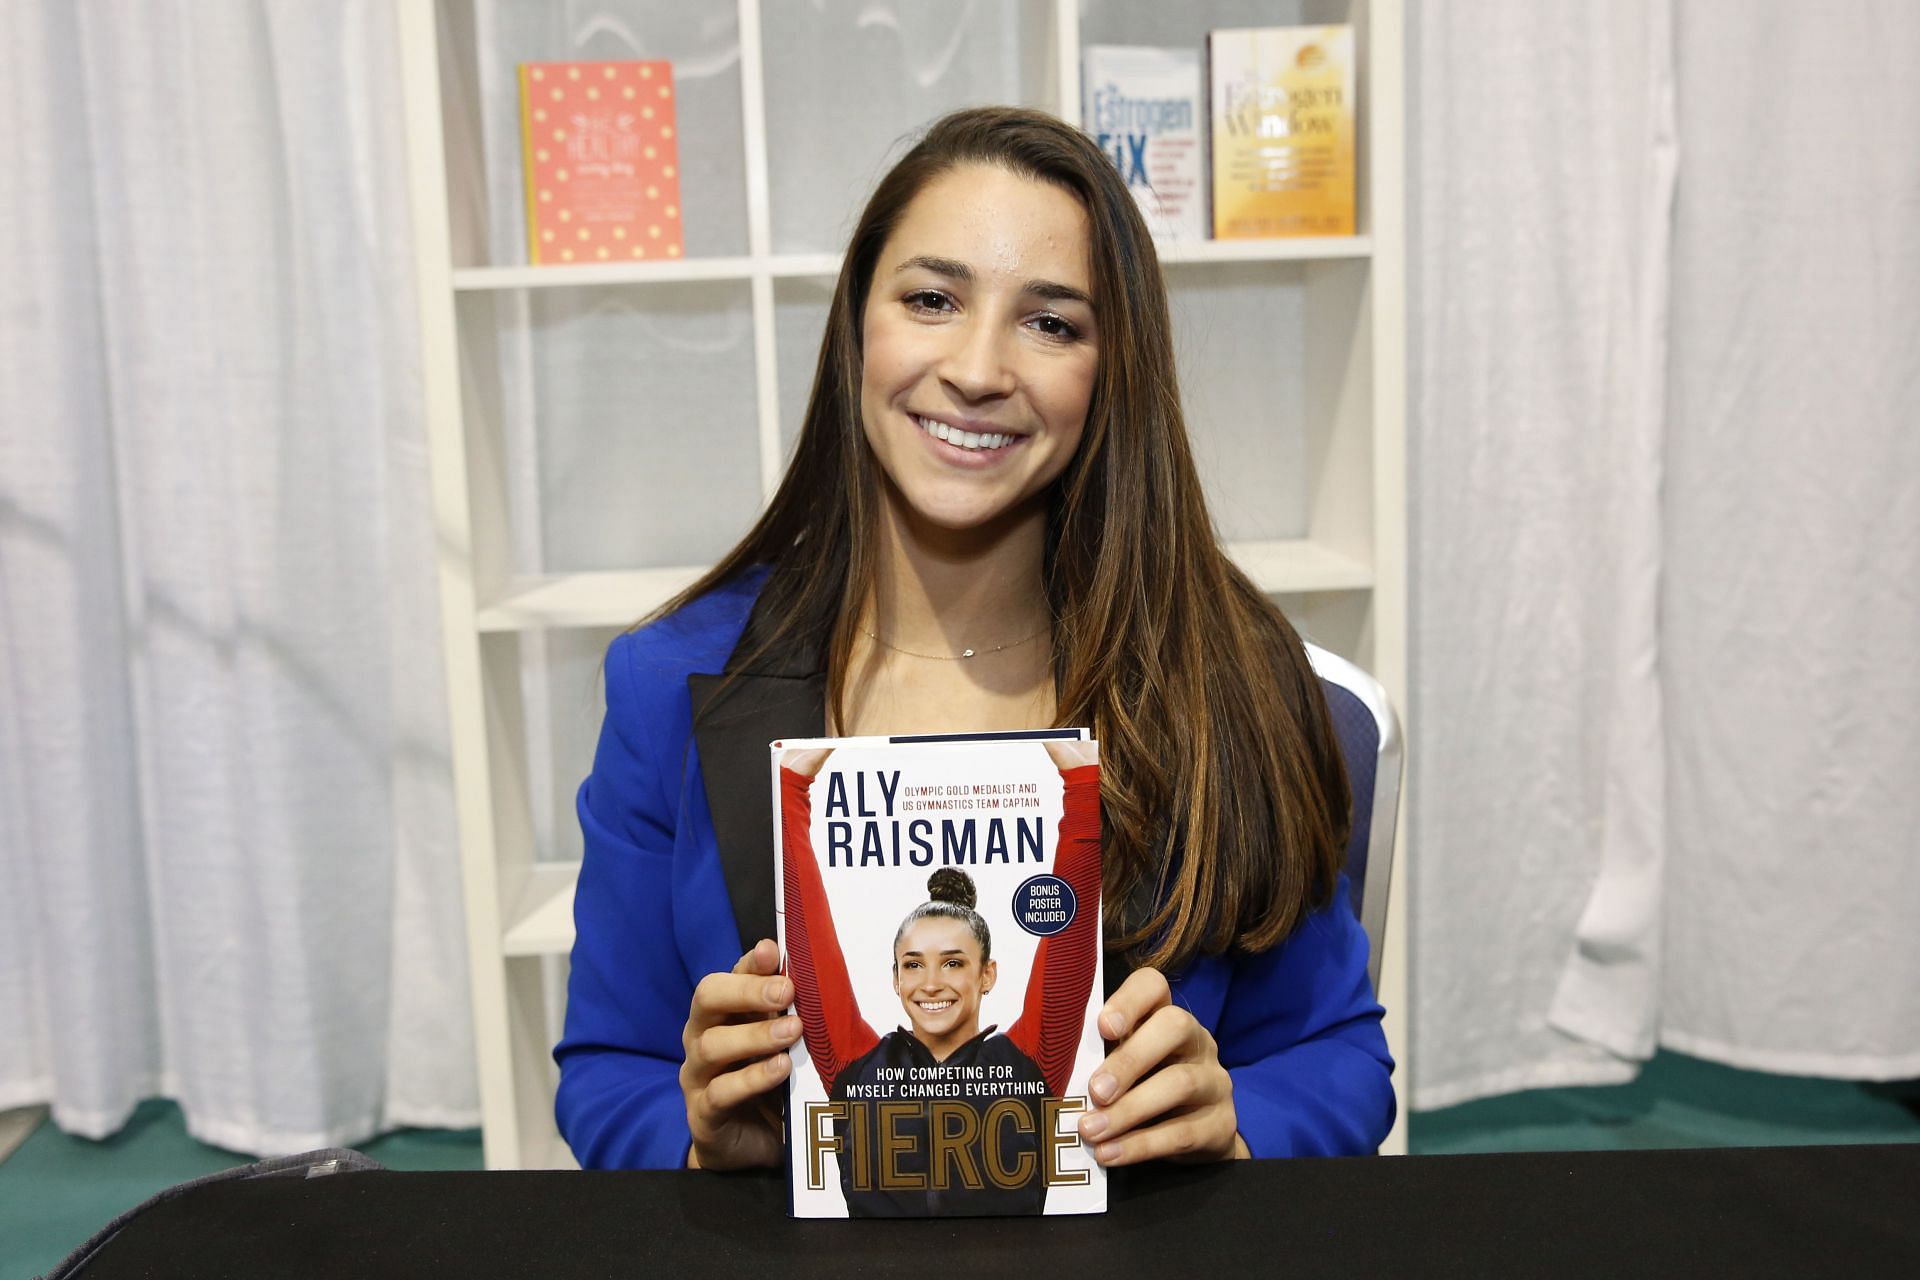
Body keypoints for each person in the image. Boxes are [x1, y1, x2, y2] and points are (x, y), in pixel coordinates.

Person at [554, 106, 1394, 1175]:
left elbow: (1338, 1055)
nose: (978, 367)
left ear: (1111, 372)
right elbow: (607, 1068)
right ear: (861, 320)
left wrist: (1227, 1119)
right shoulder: (667, 680)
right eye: (933, 299)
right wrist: (699, 1130)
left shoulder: (1227, 673)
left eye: (1051, 323)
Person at [777, 742, 1100, 1214]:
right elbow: (810, 944)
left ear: (987, 975)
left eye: (953, 962)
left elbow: (1067, 947)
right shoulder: (855, 1066)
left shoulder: (1032, 1062)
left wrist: (1083, 785)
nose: (930, 982)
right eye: (913, 964)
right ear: (895, 977)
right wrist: (789, 788)